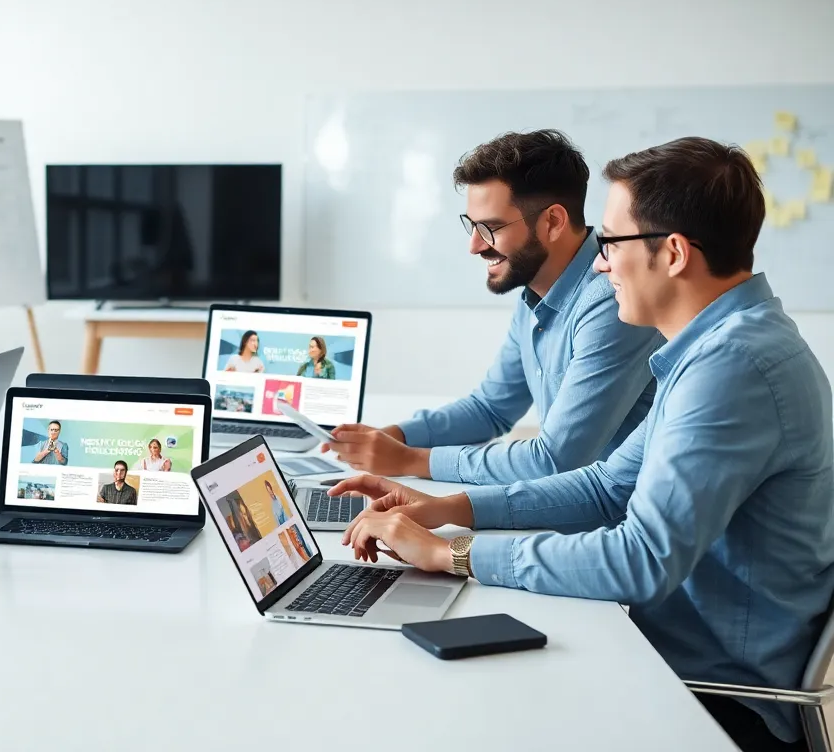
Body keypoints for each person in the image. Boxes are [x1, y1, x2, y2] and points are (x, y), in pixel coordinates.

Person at [336, 137, 834, 752]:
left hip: (712, 699)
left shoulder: (734, 365)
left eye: (611, 244)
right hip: (665, 650)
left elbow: (641, 561)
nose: (598, 264)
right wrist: (441, 509)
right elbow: (607, 486)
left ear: (673, 253)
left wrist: (451, 553)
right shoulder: (716, 347)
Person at [323, 130, 662, 487]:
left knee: (439, 536)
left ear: (553, 222)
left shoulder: (612, 300)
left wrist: (411, 460)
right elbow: (491, 409)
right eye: (472, 226)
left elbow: (554, 460)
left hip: (613, 521)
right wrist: (393, 437)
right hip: (570, 510)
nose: (474, 246)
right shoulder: (536, 289)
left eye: (490, 228)